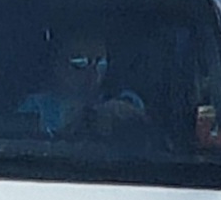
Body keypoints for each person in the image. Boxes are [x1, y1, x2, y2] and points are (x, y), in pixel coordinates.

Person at [17, 32, 145, 137]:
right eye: (80, 63)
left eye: (100, 63)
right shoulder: (36, 106)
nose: (93, 73)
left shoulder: (126, 101)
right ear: (57, 65)